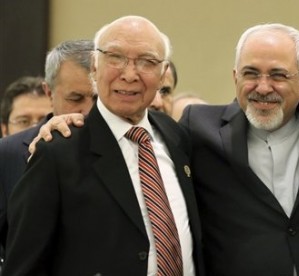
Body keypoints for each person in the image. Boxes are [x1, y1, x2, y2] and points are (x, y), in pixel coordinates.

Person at [29, 23, 299, 275]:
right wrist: (57, 121)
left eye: (278, 74)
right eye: (250, 73)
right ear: (234, 78)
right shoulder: (198, 130)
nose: (263, 87)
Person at [3, 15, 204, 276]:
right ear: (95, 68)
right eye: (116, 58)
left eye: (147, 61)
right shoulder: (57, 152)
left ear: (163, 73)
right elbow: (24, 266)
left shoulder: (177, 137)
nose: (129, 74)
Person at [0, 39, 95, 254]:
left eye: (98, 99)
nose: (88, 110)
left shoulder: (127, 147)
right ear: (49, 93)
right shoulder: (7, 153)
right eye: (76, 98)